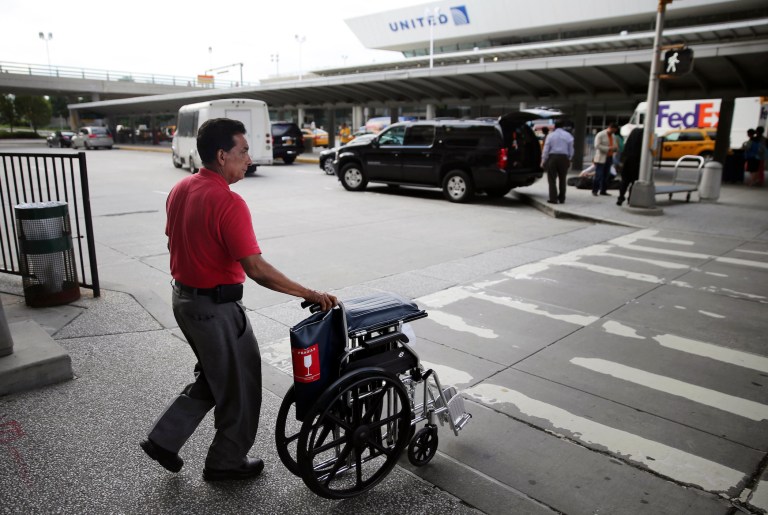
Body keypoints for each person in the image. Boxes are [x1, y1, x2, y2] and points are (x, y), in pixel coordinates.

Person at [141, 118, 337, 481]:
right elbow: (257, 269)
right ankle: (225, 461)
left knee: (217, 375)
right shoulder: (228, 202)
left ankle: (164, 440)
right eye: (243, 151)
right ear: (221, 155)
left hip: (183, 300)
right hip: (214, 310)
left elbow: (173, 242)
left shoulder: (181, 188)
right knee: (242, 384)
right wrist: (311, 294)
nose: (249, 158)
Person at [541, 119, 574, 204]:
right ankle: (562, 198)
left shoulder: (551, 136)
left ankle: (553, 198)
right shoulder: (568, 136)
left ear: (555, 126)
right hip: (564, 158)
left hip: (553, 157)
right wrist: (569, 159)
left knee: (552, 179)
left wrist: (543, 160)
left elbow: (546, 149)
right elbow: (571, 149)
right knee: (562, 179)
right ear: (563, 126)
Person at [616, 127, 643, 206]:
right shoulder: (640, 146)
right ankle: (630, 199)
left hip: (626, 165)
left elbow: (623, 156)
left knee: (624, 182)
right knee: (634, 183)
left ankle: (620, 198)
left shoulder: (628, 144)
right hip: (636, 165)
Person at [592, 123, 619, 196]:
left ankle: (603, 190)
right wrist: (608, 148)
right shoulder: (600, 134)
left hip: (609, 157)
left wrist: (615, 148)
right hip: (601, 157)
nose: (614, 132)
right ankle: (595, 190)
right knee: (599, 174)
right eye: (613, 130)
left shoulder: (613, 136)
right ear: (611, 128)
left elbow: (614, 144)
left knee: (606, 175)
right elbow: (597, 145)